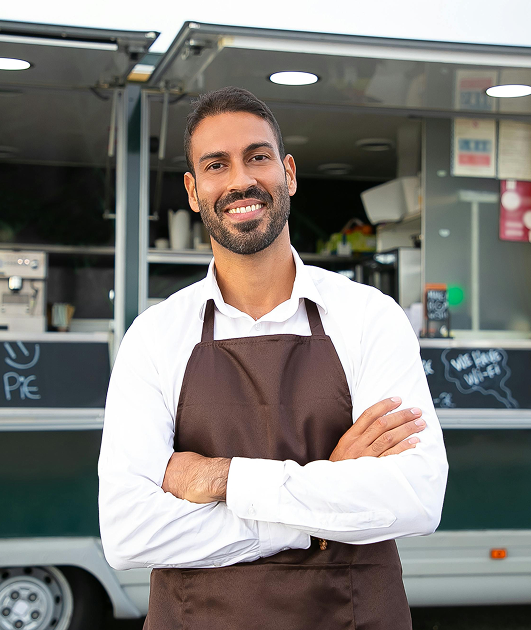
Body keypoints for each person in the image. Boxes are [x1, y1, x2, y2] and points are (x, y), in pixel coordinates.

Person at [99, 86, 448, 629]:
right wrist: (320, 506)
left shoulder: (369, 317)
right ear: (193, 191)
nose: (241, 180)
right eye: (217, 165)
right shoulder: (154, 336)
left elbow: (416, 496)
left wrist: (223, 480)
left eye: (257, 157)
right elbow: (128, 531)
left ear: (287, 172)